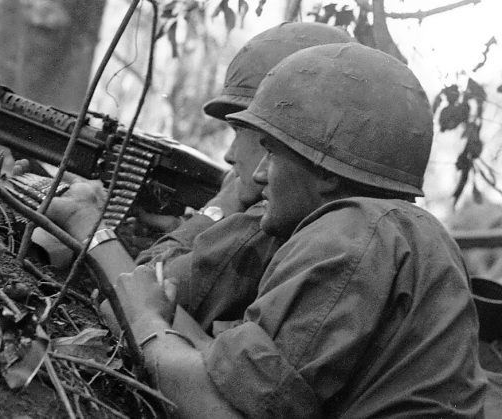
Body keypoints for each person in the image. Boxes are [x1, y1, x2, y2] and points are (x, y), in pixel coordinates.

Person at [109, 43, 485, 416]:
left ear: (324, 169)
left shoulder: (351, 234)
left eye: (271, 151)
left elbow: (223, 411)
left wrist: (145, 321)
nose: (258, 173)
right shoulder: (394, 229)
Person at [45, 22, 354, 335]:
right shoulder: (345, 216)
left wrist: (86, 221)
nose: (229, 155)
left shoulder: (270, 224)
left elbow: (137, 296)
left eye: (240, 131)